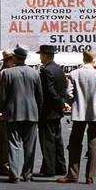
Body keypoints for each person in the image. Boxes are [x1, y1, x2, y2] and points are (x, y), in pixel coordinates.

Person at [57, 48, 96, 185]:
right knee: (93, 144)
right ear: (94, 59)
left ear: (83, 58)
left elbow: (68, 94)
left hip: (79, 113)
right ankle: (89, 177)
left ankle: (73, 174)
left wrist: (73, 102)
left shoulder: (74, 74)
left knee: (75, 143)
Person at [0, 44, 42, 183]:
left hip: (13, 113)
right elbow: (39, 96)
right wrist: (38, 112)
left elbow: (3, 96)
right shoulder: (35, 73)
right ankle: (27, 174)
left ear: (15, 57)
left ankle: (14, 174)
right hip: (32, 113)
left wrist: (2, 110)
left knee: (13, 144)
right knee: (29, 146)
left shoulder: (8, 73)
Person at [36, 44, 67, 178]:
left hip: (47, 111)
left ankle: (49, 168)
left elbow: (49, 92)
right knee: (57, 140)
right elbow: (62, 90)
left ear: (45, 55)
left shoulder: (46, 71)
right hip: (57, 111)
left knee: (47, 140)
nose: (40, 58)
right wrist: (62, 104)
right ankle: (60, 167)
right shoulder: (59, 69)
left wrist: (59, 103)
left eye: (41, 55)